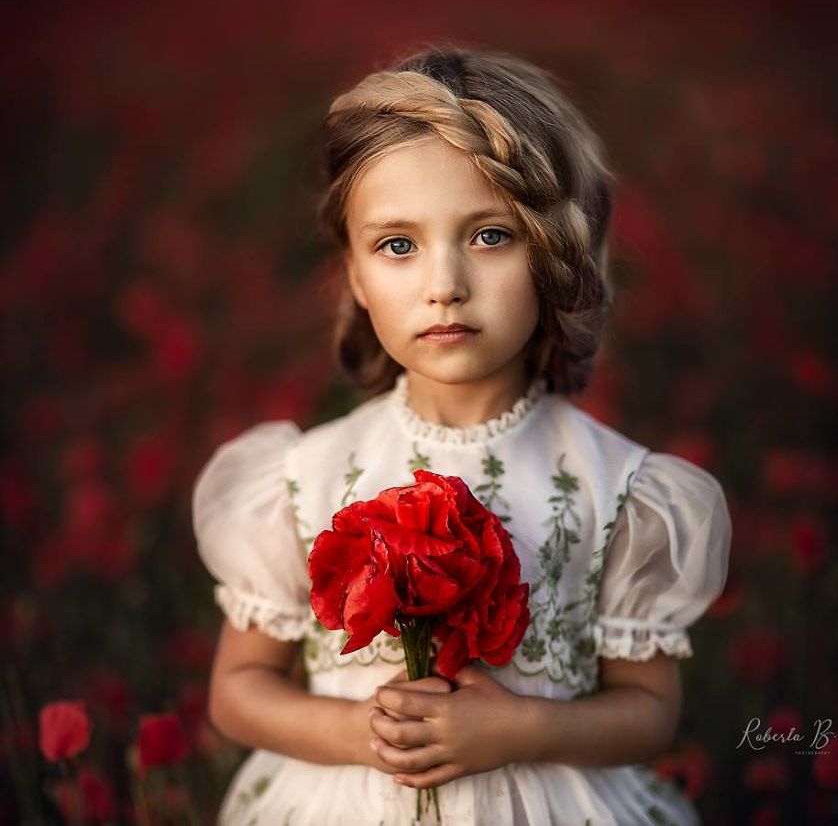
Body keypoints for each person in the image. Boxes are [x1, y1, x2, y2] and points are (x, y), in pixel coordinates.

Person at [192, 45, 732, 825]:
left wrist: (524, 727)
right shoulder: (303, 476)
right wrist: (360, 731)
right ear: (354, 273)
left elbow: (648, 709)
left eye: (489, 236)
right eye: (398, 246)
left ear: (552, 253)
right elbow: (237, 693)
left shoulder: (617, 488)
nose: (443, 284)